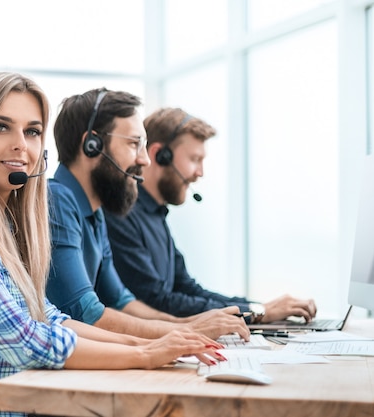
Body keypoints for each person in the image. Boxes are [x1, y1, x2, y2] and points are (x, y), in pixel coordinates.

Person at [0, 74, 226, 417]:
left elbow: (46, 315)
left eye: (32, 131)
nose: (21, 144)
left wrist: (155, 344)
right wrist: (146, 354)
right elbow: (25, 342)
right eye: (0, 127)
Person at [46, 88, 250, 341]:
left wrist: (187, 323)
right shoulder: (57, 199)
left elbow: (122, 302)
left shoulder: (95, 212)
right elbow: (85, 312)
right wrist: (187, 330)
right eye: (134, 144)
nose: (145, 160)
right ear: (92, 145)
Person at [104, 107, 318, 324]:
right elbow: (155, 301)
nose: (200, 173)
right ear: (160, 155)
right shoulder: (121, 214)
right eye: (195, 159)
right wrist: (256, 312)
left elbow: (186, 288)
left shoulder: (155, 214)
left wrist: (257, 308)